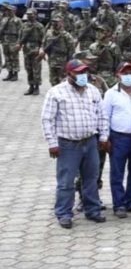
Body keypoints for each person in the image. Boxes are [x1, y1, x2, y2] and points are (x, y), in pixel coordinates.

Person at [41, 59, 110, 229]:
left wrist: (103, 137)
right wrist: (52, 143)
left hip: (90, 141)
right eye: (78, 73)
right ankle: (64, 213)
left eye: (84, 72)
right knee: (66, 181)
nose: (82, 76)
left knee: (91, 178)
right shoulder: (56, 92)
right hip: (68, 144)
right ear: (69, 74)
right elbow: (47, 119)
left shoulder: (93, 91)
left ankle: (92, 210)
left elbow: (102, 115)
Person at [103, 62, 131, 218]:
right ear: (118, 75)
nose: (128, 76)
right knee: (117, 172)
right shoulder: (111, 94)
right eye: (125, 73)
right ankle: (119, 204)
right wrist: (105, 138)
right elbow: (105, 117)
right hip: (119, 137)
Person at [19, 9, 45, 95]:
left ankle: (36, 87)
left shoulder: (39, 26)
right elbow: (20, 36)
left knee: (36, 69)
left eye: (31, 14)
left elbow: (44, 39)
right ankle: (30, 86)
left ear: (35, 15)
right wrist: (19, 44)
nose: (30, 16)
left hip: (36, 49)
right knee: (28, 68)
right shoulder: (24, 25)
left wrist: (41, 49)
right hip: (26, 49)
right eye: (28, 14)